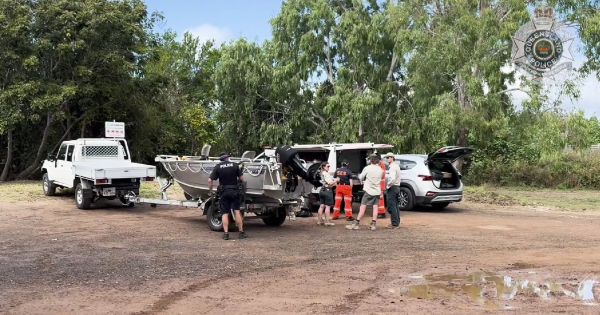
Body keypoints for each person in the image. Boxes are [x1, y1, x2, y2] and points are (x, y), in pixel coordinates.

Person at [208, 152, 247, 240]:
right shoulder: (235, 165)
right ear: (228, 158)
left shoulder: (218, 167)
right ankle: (241, 232)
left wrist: (211, 190)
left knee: (225, 213)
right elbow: (241, 178)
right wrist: (237, 184)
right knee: (237, 211)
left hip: (224, 192)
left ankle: (226, 234)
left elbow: (210, 180)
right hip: (234, 191)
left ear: (221, 159)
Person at [346, 154, 383, 231]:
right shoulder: (380, 169)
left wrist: (364, 179)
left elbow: (360, 177)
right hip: (377, 191)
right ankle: (373, 224)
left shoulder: (367, 168)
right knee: (375, 207)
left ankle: (356, 222)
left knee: (363, 206)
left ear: (371, 160)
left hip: (368, 190)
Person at [316, 161, 338, 226]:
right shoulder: (326, 174)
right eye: (328, 166)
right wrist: (336, 180)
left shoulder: (321, 173)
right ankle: (327, 221)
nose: (329, 167)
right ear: (324, 167)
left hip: (322, 190)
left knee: (321, 206)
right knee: (328, 206)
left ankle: (319, 220)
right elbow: (330, 183)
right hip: (328, 190)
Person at [384, 152, 401, 228]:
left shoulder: (392, 167)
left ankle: (394, 223)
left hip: (393, 187)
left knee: (391, 206)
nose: (387, 159)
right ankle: (397, 222)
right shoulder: (396, 166)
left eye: (388, 157)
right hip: (397, 187)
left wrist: (388, 185)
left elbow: (392, 178)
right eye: (386, 158)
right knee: (396, 205)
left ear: (392, 158)